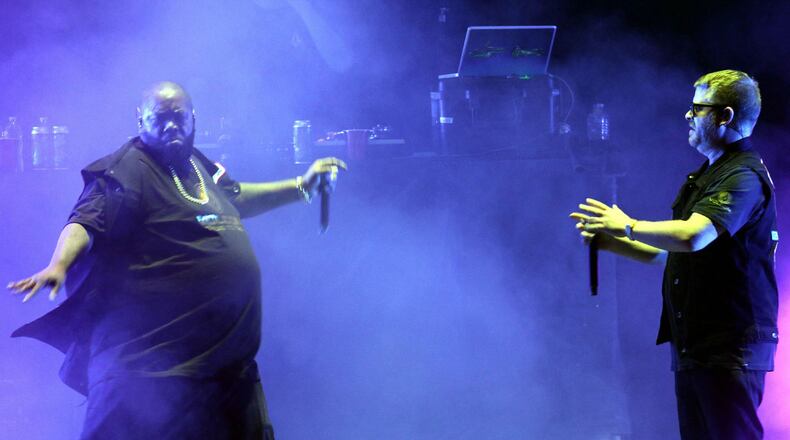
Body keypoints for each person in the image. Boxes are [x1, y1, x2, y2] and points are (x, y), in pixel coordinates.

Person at [7, 81, 346, 439]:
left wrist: (301, 187)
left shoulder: (196, 164)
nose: (171, 126)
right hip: (152, 374)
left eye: (178, 117)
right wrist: (59, 264)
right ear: (140, 121)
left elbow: (235, 198)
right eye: (160, 118)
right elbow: (86, 221)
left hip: (222, 371)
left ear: (194, 118)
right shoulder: (126, 169)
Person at [570, 70, 778, 439]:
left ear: (724, 116)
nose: (688, 115)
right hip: (697, 347)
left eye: (697, 108)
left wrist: (627, 225)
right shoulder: (708, 175)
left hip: (728, 347)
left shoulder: (743, 176)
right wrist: (612, 242)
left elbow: (693, 236)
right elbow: (677, 254)